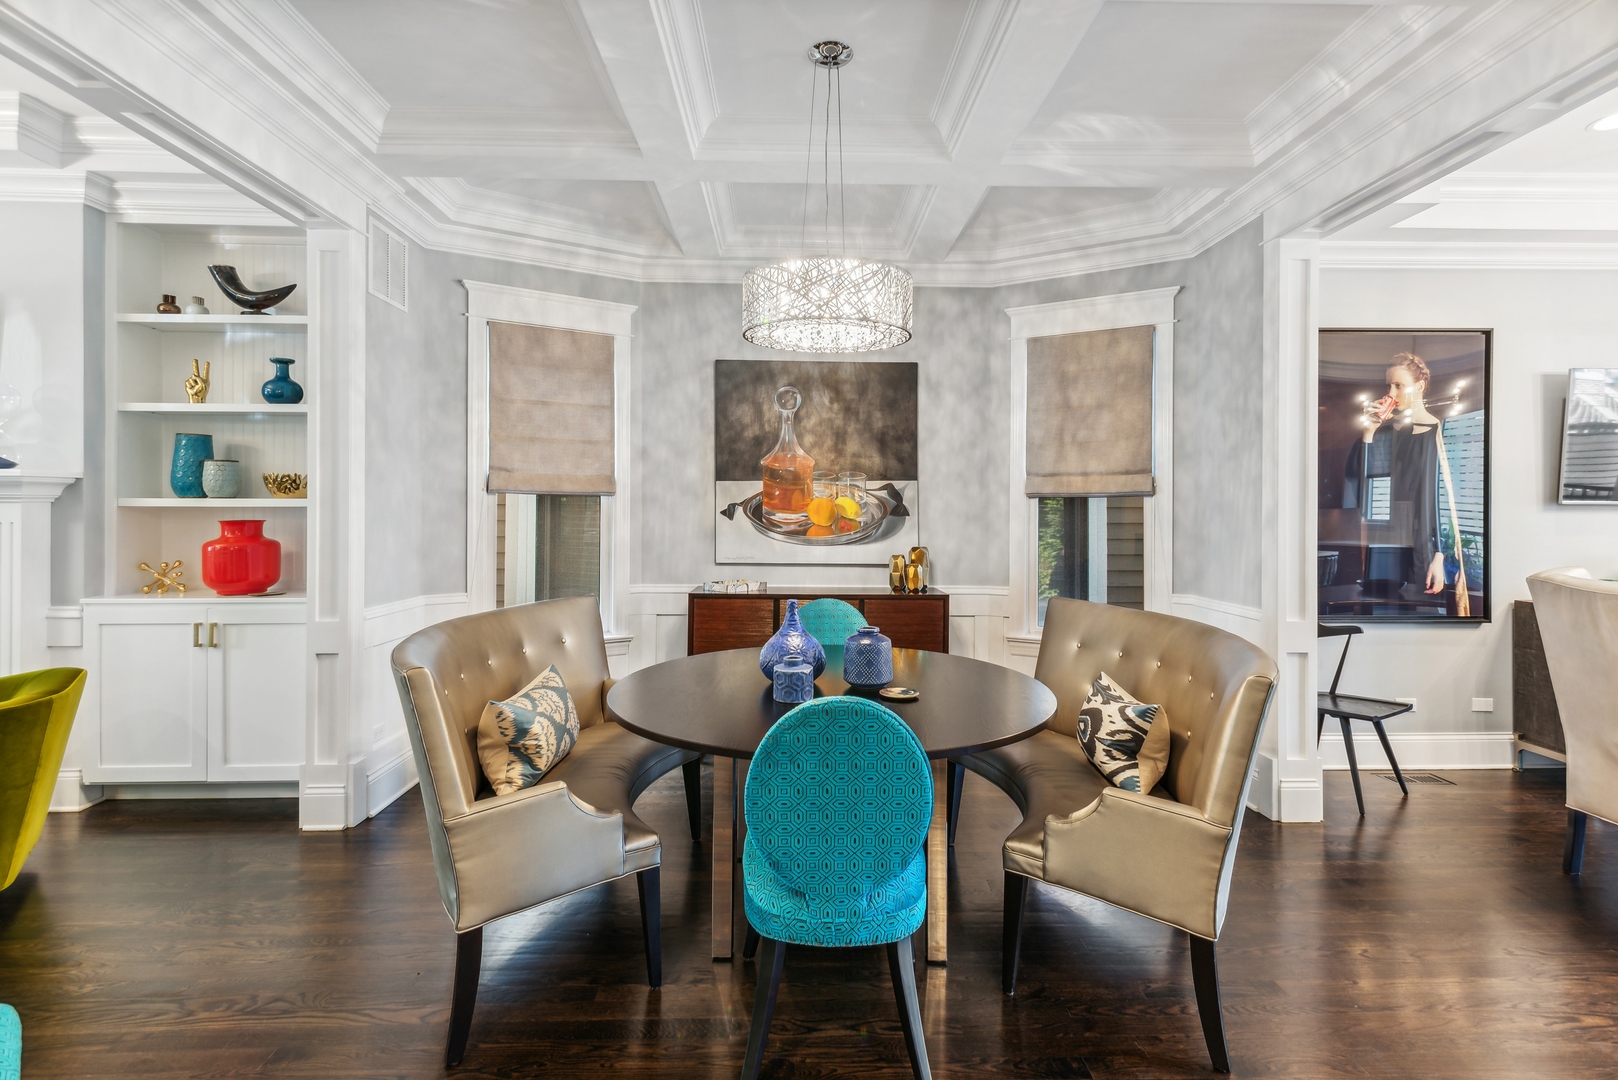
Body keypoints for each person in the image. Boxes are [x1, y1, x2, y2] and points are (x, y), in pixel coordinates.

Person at [1360, 352, 1445, 596]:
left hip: (1421, 539)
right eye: (1389, 385)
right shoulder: (1382, 428)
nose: (1391, 394)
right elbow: (1363, 483)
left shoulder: (1435, 429)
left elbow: (1438, 496)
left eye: (1399, 385)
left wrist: (1438, 555)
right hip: (1383, 535)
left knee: (1421, 610)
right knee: (1376, 606)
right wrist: (1368, 433)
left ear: (1419, 386)